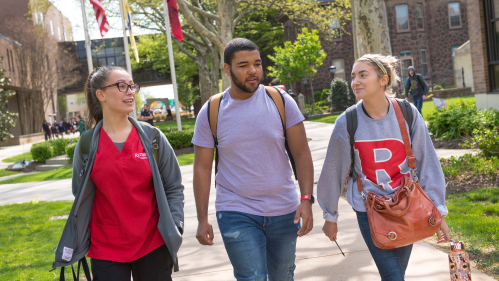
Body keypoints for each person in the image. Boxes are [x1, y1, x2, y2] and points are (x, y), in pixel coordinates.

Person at [318, 54, 451, 281]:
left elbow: (427, 162)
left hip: (406, 206)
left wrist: (438, 210)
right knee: (393, 276)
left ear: (383, 80)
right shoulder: (347, 122)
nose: (355, 82)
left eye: (363, 75)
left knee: (396, 274)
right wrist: (330, 215)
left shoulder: (408, 113)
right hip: (369, 210)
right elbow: (333, 171)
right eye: (353, 76)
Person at [192, 38, 314, 281]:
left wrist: (307, 199)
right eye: (243, 65)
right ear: (227, 69)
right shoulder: (212, 110)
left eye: (257, 64)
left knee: (282, 275)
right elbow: (202, 168)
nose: (253, 71)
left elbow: (301, 153)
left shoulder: (280, 101)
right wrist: (202, 219)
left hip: (283, 209)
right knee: (251, 277)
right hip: (236, 209)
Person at [53, 66, 184, 281]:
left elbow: (174, 186)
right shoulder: (86, 145)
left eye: (132, 86)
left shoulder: (153, 138)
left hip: (153, 242)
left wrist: (175, 224)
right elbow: (81, 192)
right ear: (101, 95)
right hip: (106, 248)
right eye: (122, 86)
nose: (130, 91)